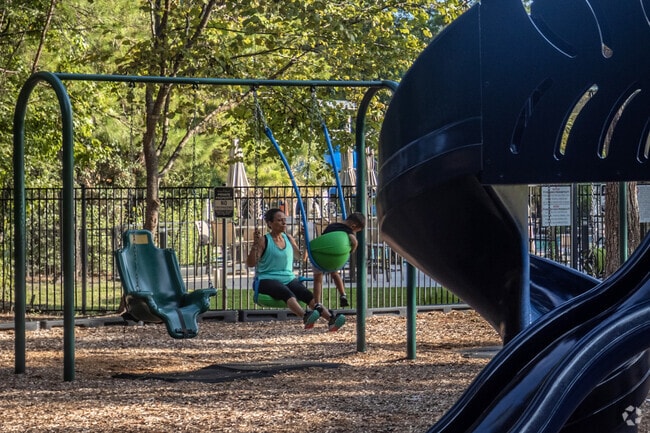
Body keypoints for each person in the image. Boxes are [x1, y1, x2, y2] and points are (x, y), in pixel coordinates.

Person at [246, 208, 345, 332]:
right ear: (270, 224)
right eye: (279, 220)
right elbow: (250, 264)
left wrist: (305, 240)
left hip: (288, 278)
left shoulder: (288, 238)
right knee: (286, 292)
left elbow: (301, 257)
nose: (283, 223)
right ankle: (305, 316)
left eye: (284, 220)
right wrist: (255, 246)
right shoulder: (264, 240)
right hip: (266, 279)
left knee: (306, 294)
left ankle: (331, 320)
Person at [312, 212, 366, 308]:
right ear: (353, 226)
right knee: (335, 274)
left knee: (318, 279)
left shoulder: (332, 226)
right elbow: (354, 242)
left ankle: (317, 303)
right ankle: (343, 294)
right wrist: (351, 251)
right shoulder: (348, 231)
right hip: (334, 258)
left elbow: (323, 238)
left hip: (320, 256)